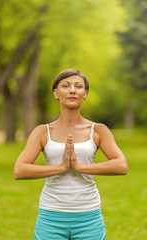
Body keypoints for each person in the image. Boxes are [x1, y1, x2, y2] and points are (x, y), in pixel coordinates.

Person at [14, 68, 128, 240]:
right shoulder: (42, 132)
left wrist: (80, 167)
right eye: (66, 86)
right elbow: (19, 170)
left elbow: (121, 165)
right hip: (50, 216)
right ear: (56, 93)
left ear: (85, 93)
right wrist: (60, 168)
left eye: (78, 86)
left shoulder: (98, 130)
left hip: (88, 216)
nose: (73, 90)